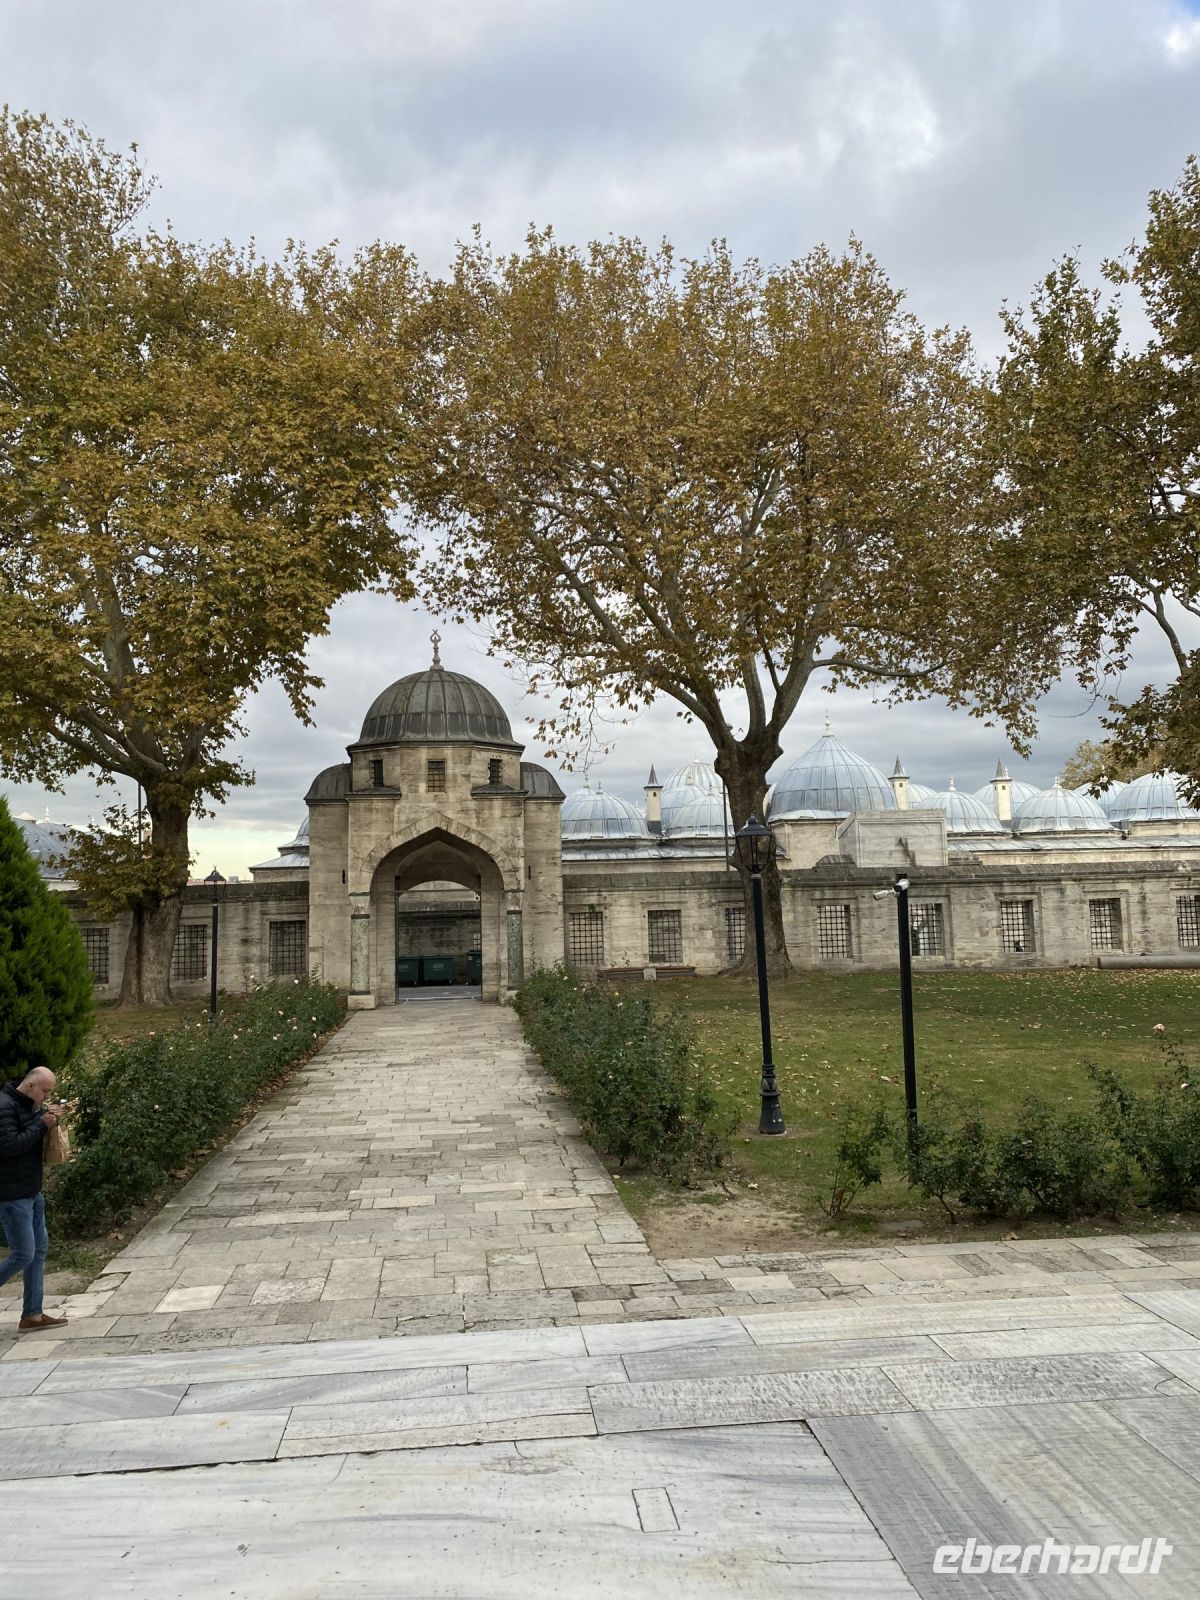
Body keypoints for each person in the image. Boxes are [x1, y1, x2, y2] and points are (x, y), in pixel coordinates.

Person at [0, 1066, 69, 1331]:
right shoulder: (5, 1107)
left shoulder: (28, 1105)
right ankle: (32, 1313)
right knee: (23, 1253)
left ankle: (32, 1314)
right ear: (30, 1085)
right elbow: (9, 1147)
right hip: (11, 1193)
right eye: (45, 1091)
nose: (46, 1096)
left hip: (31, 1189)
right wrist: (42, 1123)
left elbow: (32, 1134)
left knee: (38, 1250)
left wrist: (49, 1119)